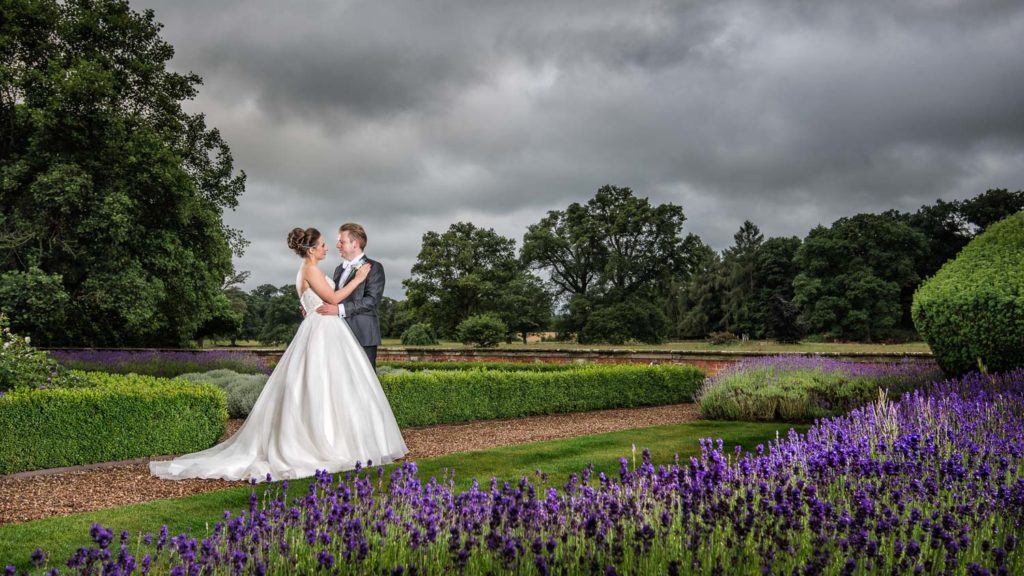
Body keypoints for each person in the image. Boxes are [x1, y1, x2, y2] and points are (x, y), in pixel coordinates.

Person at [150, 227, 408, 481]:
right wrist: (355, 282)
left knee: (348, 391)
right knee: (321, 388)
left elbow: (364, 302)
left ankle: (357, 441)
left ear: (356, 243)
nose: (331, 247)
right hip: (325, 333)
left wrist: (320, 304)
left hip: (346, 333)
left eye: (339, 242)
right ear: (311, 249)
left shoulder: (366, 267)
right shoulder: (318, 270)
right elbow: (331, 297)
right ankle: (330, 443)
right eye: (324, 245)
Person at [316, 223, 384, 368]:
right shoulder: (338, 270)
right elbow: (333, 297)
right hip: (337, 334)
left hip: (363, 335)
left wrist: (339, 310)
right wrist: (315, 306)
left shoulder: (374, 267)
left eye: (342, 241)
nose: (337, 245)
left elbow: (371, 301)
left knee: (365, 383)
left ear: (355, 243)